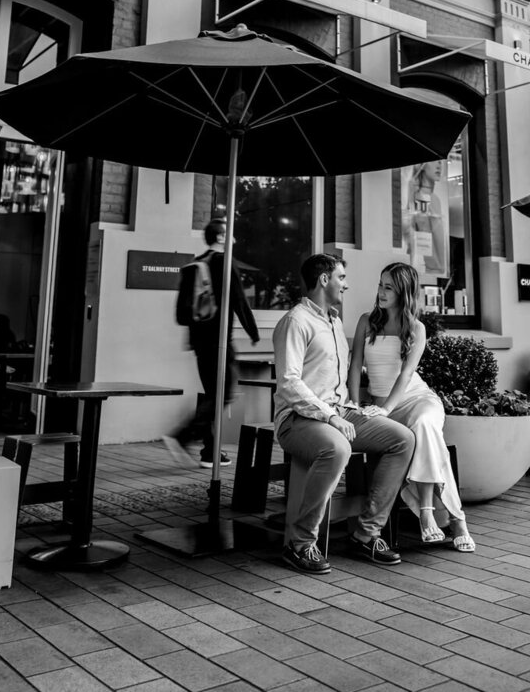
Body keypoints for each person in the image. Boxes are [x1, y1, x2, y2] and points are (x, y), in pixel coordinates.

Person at [272, 253, 415, 575]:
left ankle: (366, 533)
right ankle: (299, 543)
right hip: (299, 419)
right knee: (337, 448)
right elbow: (289, 382)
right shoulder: (295, 321)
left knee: (402, 438)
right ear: (324, 280)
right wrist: (330, 416)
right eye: (341, 278)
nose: (346, 285)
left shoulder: (334, 321)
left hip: (340, 411)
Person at [348, 261, 475, 552]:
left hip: (418, 400)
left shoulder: (416, 328)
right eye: (380, 285)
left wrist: (386, 409)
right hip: (382, 407)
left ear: (404, 291)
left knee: (424, 425)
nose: (381, 291)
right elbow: (355, 366)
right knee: (431, 439)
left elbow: (407, 375)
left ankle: (427, 512)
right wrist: (354, 404)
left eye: (389, 287)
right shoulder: (366, 321)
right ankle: (457, 520)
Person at [165, 218, 259, 469]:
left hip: (199, 343)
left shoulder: (193, 266)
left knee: (212, 394)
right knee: (225, 392)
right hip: (219, 342)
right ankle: (182, 435)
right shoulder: (224, 263)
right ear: (220, 237)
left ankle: (209, 452)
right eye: (230, 234)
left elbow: (182, 315)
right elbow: (239, 301)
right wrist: (253, 332)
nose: (235, 239)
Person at [402, 160, 446, 276]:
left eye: (441, 162)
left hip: (436, 270)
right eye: (434, 161)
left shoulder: (435, 200)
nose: (439, 165)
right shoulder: (417, 196)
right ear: (422, 166)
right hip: (424, 268)